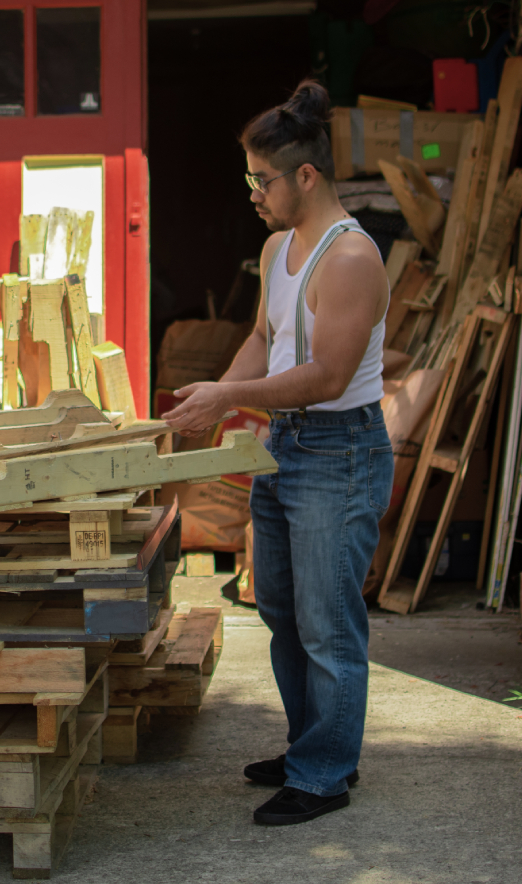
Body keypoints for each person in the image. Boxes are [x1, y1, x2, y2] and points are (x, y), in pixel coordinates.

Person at [162, 79, 392, 826]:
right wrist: (210, 401)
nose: (253, 194)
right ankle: (310, 748)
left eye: (262, 180)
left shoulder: (349, 258)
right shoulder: (275, 249)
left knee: (329, 623)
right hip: (284, 442)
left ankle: (324, 774)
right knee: (283, 610)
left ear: (307, 175)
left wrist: (230, 397)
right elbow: (264, 338)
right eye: (250, 178)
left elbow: (327, 377)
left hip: (339, 450)